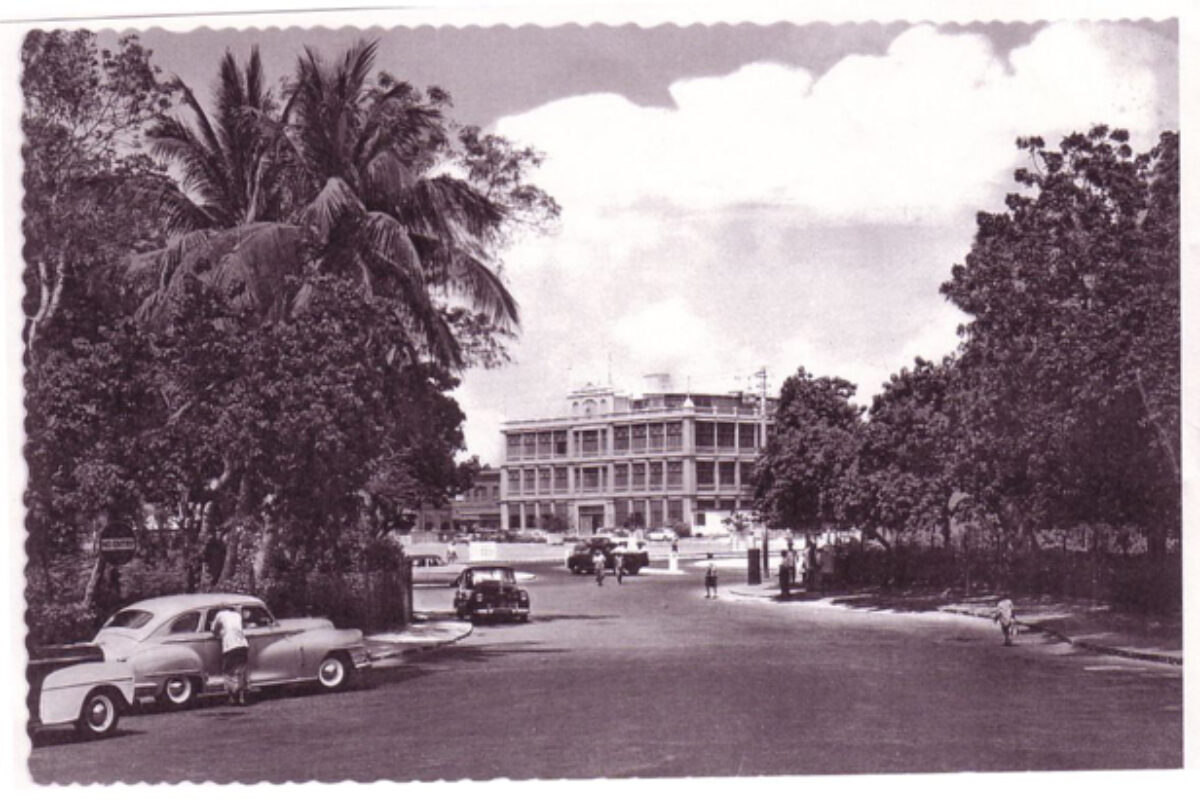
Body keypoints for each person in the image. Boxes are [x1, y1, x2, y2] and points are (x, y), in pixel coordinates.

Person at [212, 605, 250, 705]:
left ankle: (232, 697)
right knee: (241, 672)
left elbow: (213, 629)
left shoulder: (220, 615)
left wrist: (219, 634)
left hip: (230, 646)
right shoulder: (237, 615)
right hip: (243, 644)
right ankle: (242, 698)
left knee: (228, 671)